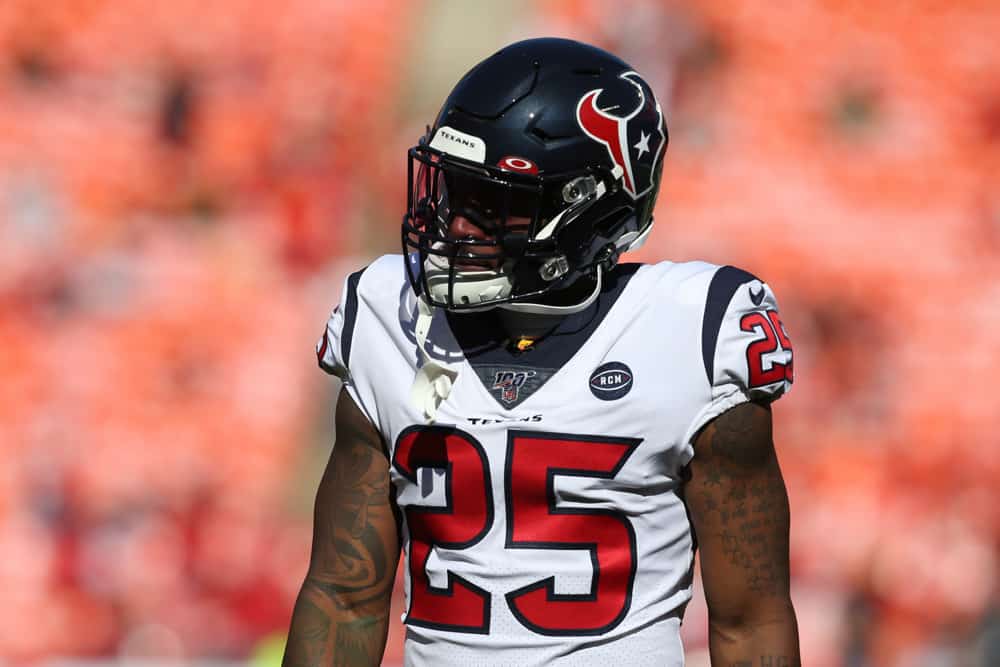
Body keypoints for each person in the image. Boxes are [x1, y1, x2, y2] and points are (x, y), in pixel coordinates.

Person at [283, 37, 800, 667]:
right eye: (453, 193)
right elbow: (344, 597)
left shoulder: (693, 329)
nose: (456, 226)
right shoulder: (390, 317)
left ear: (585, 207)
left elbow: (750, 618)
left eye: (494, 204)